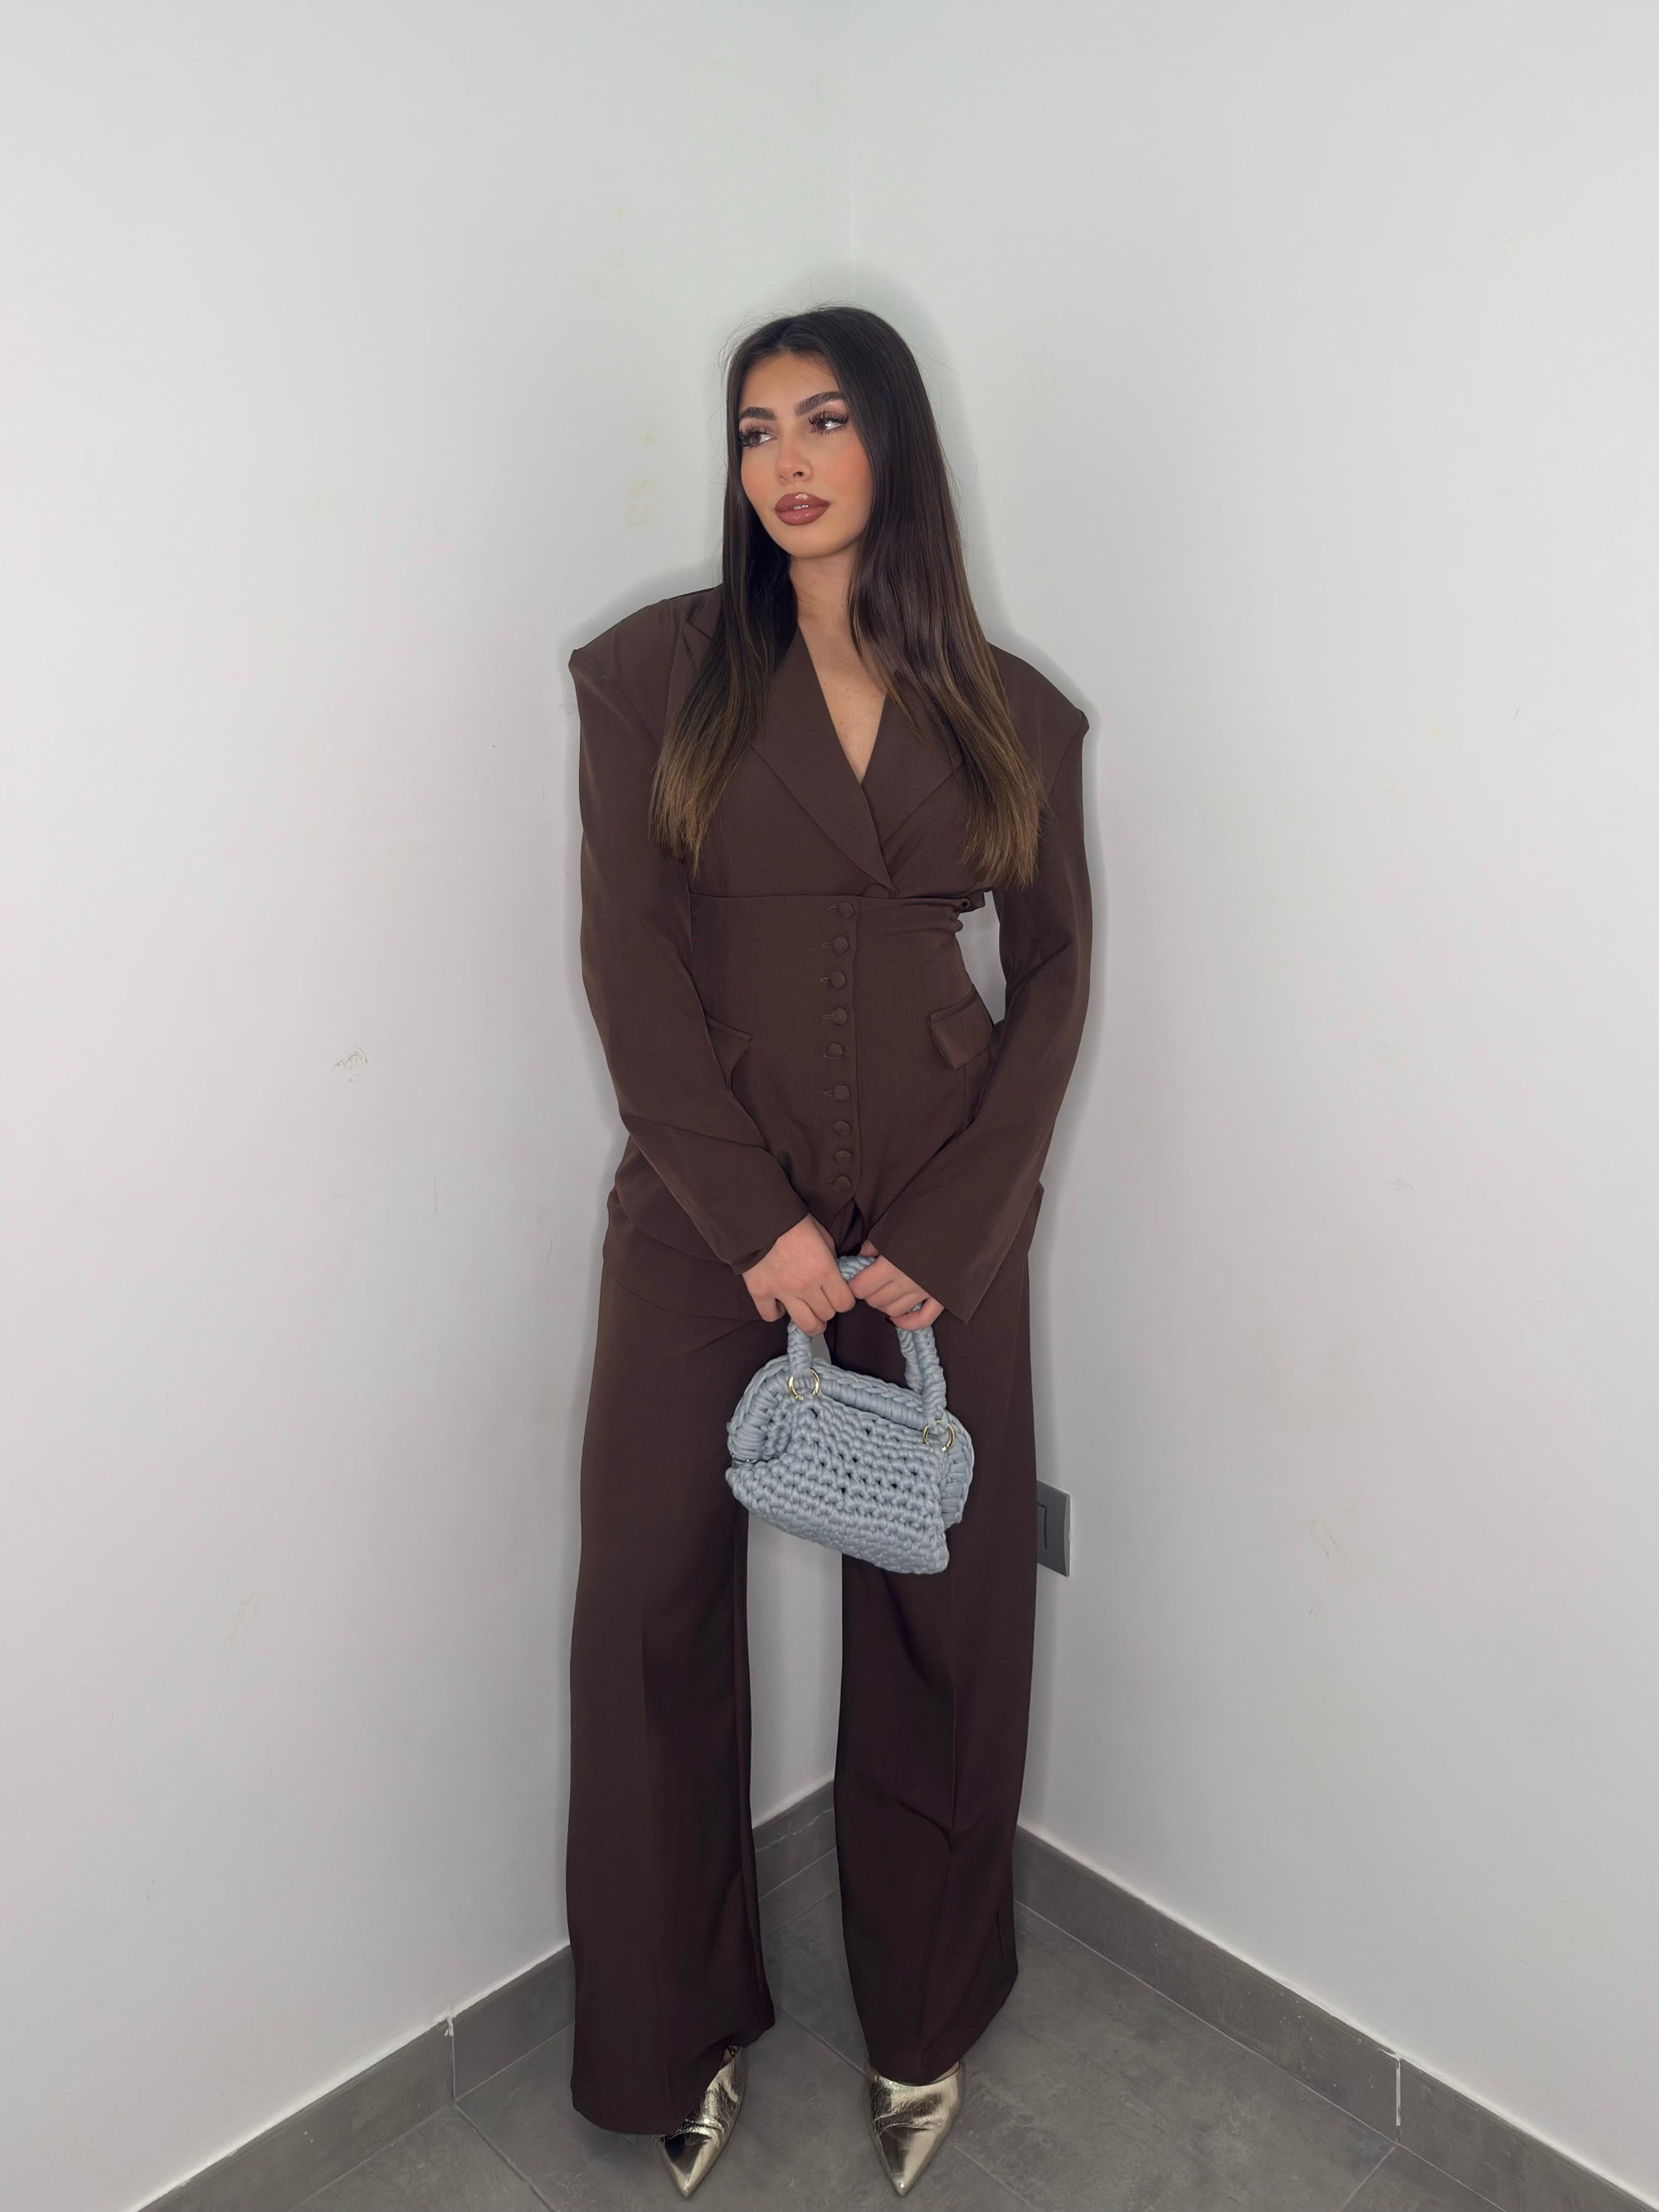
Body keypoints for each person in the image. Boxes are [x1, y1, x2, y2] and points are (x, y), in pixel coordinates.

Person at [564, 304, 1092, 2200]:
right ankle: (668, 2029)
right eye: (753, 429)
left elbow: (1054, 977)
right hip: (709, 1217)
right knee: (647, 1607)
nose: (784, 461)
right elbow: (629, 966)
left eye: (823, 419)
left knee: (949, 1613)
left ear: (894, 445)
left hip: (941, 1223)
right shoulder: (658, 672)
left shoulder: (1012, 706)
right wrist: (759, 1223)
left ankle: (922, 2014)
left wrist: (952, 1224)